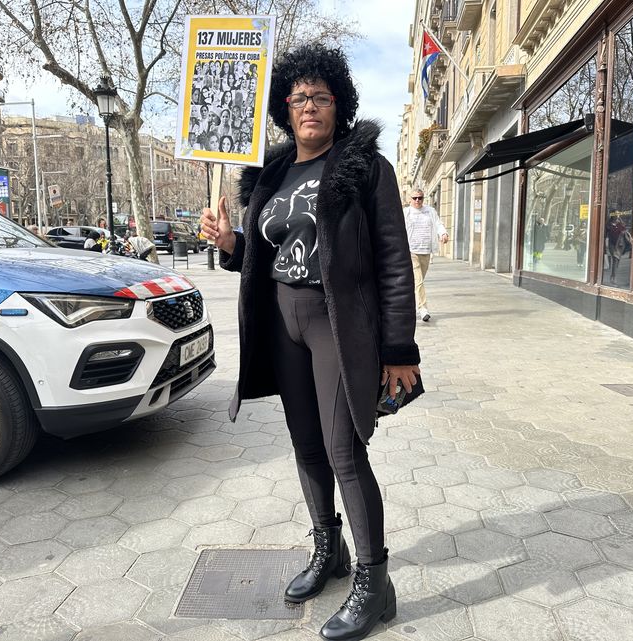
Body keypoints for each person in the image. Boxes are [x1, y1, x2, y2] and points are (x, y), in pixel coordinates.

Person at [200, 43, 419, 641]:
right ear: (284, 107)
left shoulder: (365, 166)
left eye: (321, 96)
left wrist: (400, 350)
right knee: (306, 447)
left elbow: (395, 261)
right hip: (282, 322)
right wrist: (230, 244)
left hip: (338, 324)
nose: (310, 106)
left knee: (345, 452)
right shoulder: (271, 174)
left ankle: (376, 585)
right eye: (299, 97)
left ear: (338, 103)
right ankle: (330, 552)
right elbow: (266, 256)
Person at [403, 189, 448, 322]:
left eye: (420, 198)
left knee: (417, 282)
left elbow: (438, 224)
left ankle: (408, 306)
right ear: (410, 199)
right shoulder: (406, 213)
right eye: (415, 198)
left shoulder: (430, 211)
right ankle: (423, 309)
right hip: (411, 251)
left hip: (426, 251)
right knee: (419, 281)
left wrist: (443, 233)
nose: (417, 200)